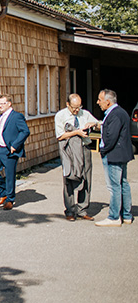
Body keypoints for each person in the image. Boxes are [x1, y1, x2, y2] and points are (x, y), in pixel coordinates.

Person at [55, 94, 98, 221]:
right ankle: (70, 210)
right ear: (68, 104)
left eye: (79, 107)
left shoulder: (84, 113)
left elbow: (98, 123)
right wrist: (77, 132)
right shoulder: (61, 115)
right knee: (69, 177)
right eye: (74, 108)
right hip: (69, 150)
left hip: (84, 147)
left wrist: (93, 124)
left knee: (86, 177)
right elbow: (60, 136)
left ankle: (82, 209)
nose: (77, 110)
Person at [95, 89, 134, 227]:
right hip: (120, 153)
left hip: (114, 154)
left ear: (108, 101)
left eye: (100, 100)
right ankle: (127, 215)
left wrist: (103, 150)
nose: (98, 102)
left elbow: (112, 137)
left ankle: (114, 217)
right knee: (123, 184)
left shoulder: (115, 114)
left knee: (114, 186)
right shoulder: (118, 113)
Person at [0, 94, 30, 210]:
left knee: (10, 175)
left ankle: (10, 199)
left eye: (2, 103)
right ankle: (4, 192)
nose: (0, 106)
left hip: (9, 150)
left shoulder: (16, 116)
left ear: (9, 104)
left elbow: (25, 131)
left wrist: (15, 145)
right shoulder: (0, 117)